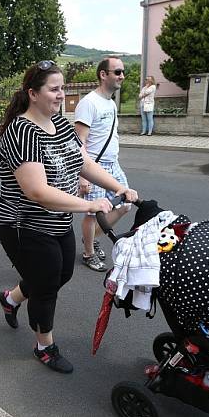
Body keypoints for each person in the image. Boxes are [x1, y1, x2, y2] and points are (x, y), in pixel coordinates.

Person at [0, 61, 138, 373]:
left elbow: (83, 161)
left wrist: (119, 188)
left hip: (57, 221)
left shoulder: (60, 125)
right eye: (54, 89)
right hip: (24, 224)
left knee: (62, 274)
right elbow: (36, 191)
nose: (61, 95)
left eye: (62, 88)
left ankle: (10, 298)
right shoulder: (22, 132)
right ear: (33, 93)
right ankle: (44, 346)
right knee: (46, 285)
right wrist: (89, 205)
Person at [75, 56, 132, 272]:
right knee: (92, 213)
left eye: (122, 72)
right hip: (94, 167)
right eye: (117, 72)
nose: (122, 76)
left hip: (112, 165)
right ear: (103, 74)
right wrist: (82, 176)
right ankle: (89, 253)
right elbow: (78, 143)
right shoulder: (88, 103)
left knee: (125, 203)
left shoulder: (110, 102)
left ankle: (90, 239)